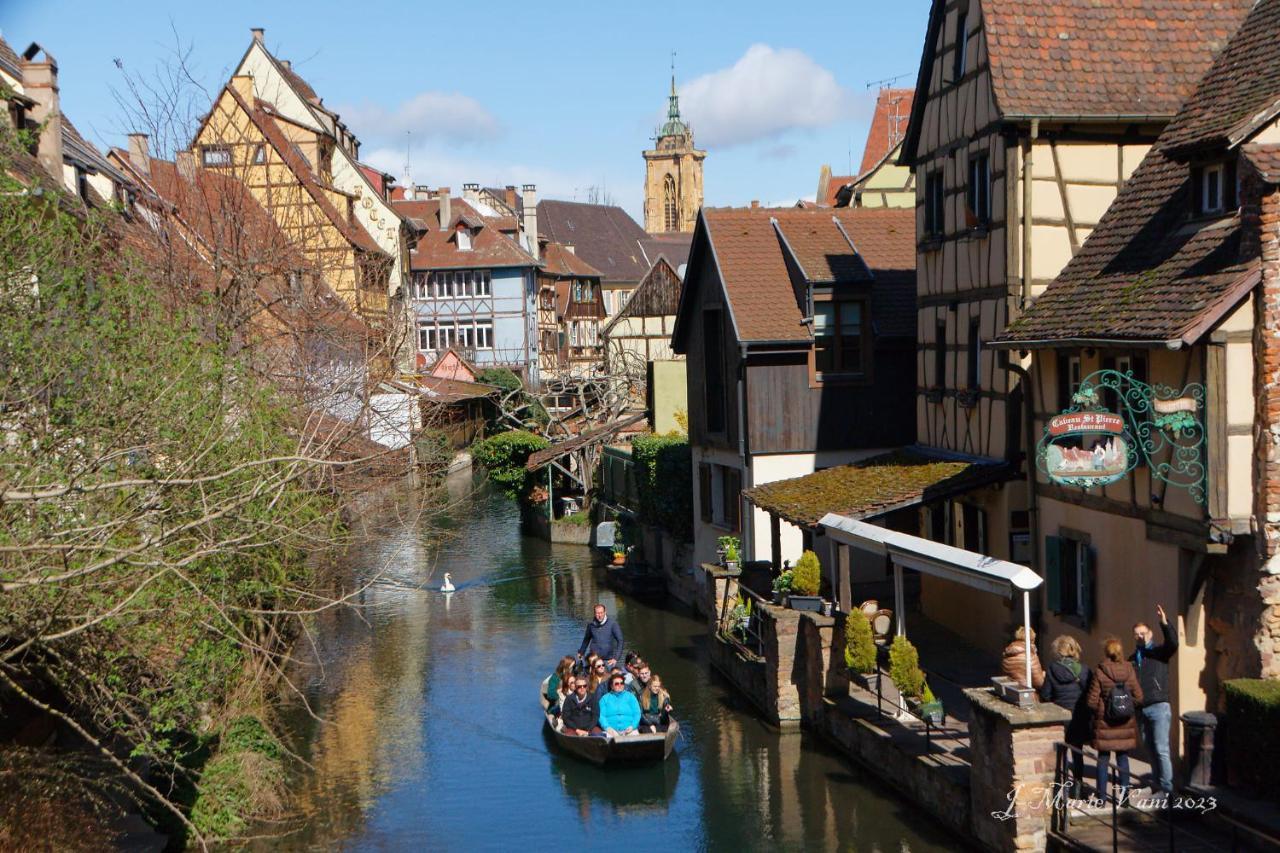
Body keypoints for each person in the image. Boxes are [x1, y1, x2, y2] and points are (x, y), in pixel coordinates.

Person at [1086, 637, 1144, 804]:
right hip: (1125, 722)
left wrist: (1104, 708)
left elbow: (1091, 701)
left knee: (1103, 760)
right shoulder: (1129, 670)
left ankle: (1102, 797)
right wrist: (1125, 705)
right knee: (1123, 759)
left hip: (1105, 723)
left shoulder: (1100, 671)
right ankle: (1124, 797)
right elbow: (1139, 697)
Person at [1131, 604, 1178, 795]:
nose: (1141, 636)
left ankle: (1167, 788)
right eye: (1137, 634)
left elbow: (1173, 643)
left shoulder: (1160, 652)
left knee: (1161, 748)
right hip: (1141, 708)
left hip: (1159, 706)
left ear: (1150, 634)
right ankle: (1157, 783)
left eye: (1143, 633)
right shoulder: (1133, 658)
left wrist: (1164, 623)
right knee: (1149, 748)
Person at [1040, 635, 1092, 799]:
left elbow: (1046, 695)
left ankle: (1059, 788)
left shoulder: (1052, 669)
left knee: (1060, 753)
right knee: (1077, 752)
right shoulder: (1084, 670)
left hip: (1060, 716)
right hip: (1079, 716)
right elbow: (1090, 694)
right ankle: (1077, 787)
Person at [578, 604, 624, 668]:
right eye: (597, 613)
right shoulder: (591, 625)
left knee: (608, 677)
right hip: (594, 660)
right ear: (594, 613)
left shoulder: (613, 624)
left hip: (608, 660)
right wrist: (581, 652)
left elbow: (620, 641)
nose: (599, 615)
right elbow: (586, 639)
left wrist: (616, 658)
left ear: (605, 612)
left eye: (601, 613)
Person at [1001, 625, 1046, 690]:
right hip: (1026, 693)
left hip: (1010, 691)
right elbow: (1039, 683)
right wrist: (1044, 675)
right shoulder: (1029, 656)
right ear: (1032, 639)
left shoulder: (1008, 653)